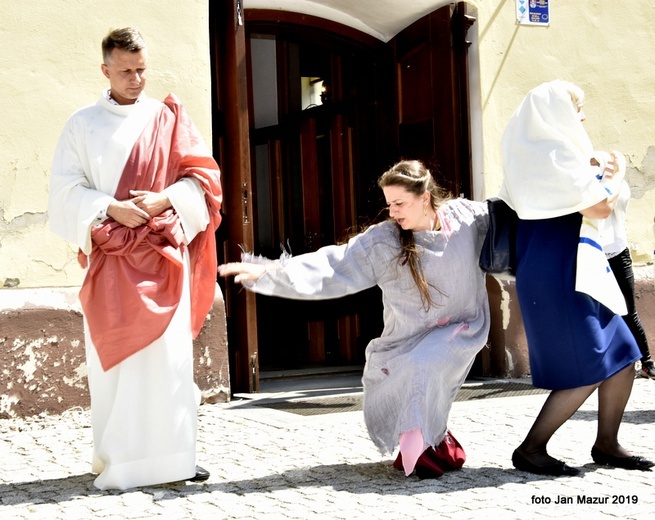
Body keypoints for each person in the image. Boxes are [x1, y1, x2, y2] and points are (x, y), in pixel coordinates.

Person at [219, 159, 490, 478]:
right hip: (405, 336)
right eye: (389, 204)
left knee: (423, 364)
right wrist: (269, 272)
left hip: (461, 328)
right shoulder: (386, 240)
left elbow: (513, 215)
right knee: (414, 375)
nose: (393, 212)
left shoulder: (467, 217)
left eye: (400, 203)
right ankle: (435, 442)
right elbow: (333, 264)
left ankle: (422, 453)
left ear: (425, 197)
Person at [48, 27, 223, 490]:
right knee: (119, 367)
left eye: (142, 69)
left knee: (169, 362)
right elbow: (64, 191)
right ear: (105, 70)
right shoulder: (81, 124)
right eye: (126, 71)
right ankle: (121, 458)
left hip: (164, 258)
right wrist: (111, 207)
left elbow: (204, 181)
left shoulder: (167, 118)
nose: (136, 78)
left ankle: (175, 458)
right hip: (114, 263)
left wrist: (165, 199)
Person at [499, 79, 654, 476]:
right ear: (556, 113)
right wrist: (616, 173)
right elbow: (600, 207)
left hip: (566, 266)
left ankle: (607, 444)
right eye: (577, 107)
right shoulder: (554, 155)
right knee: (594, 361)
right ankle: (531, 449)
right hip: (561, 271)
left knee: (622, 356)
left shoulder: (534, 155)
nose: (582, 116)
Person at [597, 152, 655, 380]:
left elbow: (612, 204)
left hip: (617, 254)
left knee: (628, 311)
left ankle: (647, 362)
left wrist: (610, 178)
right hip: (593, 254)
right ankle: (608, 364)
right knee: (599, 312)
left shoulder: (618, 188)